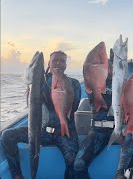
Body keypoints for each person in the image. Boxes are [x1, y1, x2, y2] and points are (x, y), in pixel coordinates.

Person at [1, 51, 81, 179]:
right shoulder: (40, 81)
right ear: (49, 63)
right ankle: (17, 175)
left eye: (62, 61)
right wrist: (35, 76)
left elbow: (74, 107)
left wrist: (61, 88)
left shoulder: (74, 83)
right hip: (43, 131)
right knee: (7, 136)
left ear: (66, 65)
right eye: (55, 60)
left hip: (66, 132)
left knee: (73, 161)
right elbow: (28, 80)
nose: (58, 63)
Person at [74, 49, 114, 179]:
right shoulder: (91, 85)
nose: (109, 70)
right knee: (78, 164)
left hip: (120, 129)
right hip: (98, 131)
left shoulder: (122, 84)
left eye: (111, 67)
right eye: (107, 67)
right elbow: (88, 71)